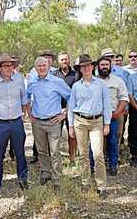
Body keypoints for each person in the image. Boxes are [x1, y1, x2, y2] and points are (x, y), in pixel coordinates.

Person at [68, 54, 112, 199]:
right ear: (80, 69)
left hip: (96, 122)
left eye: (88, 65)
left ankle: (101, 186)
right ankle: (85, 182)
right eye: (83, 66)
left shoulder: (100, 85)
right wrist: (71, 127)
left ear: (92, 67)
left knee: (98, 154)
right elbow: (71, 107)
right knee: (83, 154)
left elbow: (107, 105)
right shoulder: (75, 86)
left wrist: (107, 124)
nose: (86, 68)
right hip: (80, 122)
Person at [0, 53, 28, 192]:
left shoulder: (19, 80)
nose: (9, 68)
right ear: (0, 68)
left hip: (16, 122)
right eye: (6, 66)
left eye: (11, 65)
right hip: (0, 124)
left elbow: (24, 98)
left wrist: (23, 113)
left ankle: (23, 179)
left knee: (20, 152)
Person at [27, 56, 71, 191]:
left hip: (53, 122)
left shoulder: (57, 81)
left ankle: (57, 179)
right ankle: (45, 173)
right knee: (41, 151)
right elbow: (27, 98)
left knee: (55, 152)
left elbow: (71, 97)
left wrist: (64, 114)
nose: (41, 68)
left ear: (48, 67)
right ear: (35, 68)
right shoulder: (32, 82)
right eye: (39, 66)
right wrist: (30, 114)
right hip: (37, 122)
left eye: (44, 66)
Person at [90, 56, 129, 176]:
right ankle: (92, 167)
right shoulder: (92, 81)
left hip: (113, 116)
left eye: (107, 65)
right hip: (96, 117)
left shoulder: (118, 81)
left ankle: (113, 165)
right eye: (102, 65)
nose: (105, 67)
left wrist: (117, 113)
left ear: (110, 66)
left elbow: (124, 98)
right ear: (98, 67)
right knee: (94, 143)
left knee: (113, 141)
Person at [52, 52, 78, 165]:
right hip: (57, 110)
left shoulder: (76, 74)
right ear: (58, 61)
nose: (64, 61)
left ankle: (72, 157)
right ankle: (55, 158)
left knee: (72, 134)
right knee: (55, 135)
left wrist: (68, 109)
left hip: (72, 108)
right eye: (62, 59)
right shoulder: (54, 75)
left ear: (69, 60)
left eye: (66, 59)